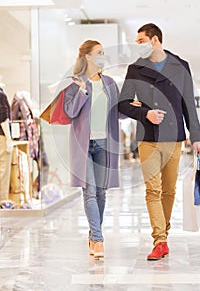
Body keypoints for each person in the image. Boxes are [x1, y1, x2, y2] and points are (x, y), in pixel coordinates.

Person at [118, 23, 200, 260]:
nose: (138, 46)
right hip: (148, 137)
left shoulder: (181, 66)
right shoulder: (135, 69)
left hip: (175, 138)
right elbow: (123, 103)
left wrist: (196, 137)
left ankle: (163, 235)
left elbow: (189, 106)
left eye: (141, 41)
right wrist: (145, 113)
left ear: (155, 40)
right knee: (152, 190)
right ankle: (160, 240)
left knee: (169, 191)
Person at [64, 40, 121, 259]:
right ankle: (98, 239)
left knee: (101, 193)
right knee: (89, 191)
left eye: (103, 52)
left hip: (105, 144)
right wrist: (80, 92)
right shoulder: (76, 83)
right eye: (99, 52)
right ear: (87, 57)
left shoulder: (109, 83)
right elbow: (70, 112)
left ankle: (93, 234)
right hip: (83, 145)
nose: (102, 56)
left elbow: (117, 112)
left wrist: (134, 107)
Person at [0, 85, 13, 202]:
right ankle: (2, 199)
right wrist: (9, 139)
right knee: (3, 169)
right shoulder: (1, 95)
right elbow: (3, 118)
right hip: (2, 137)